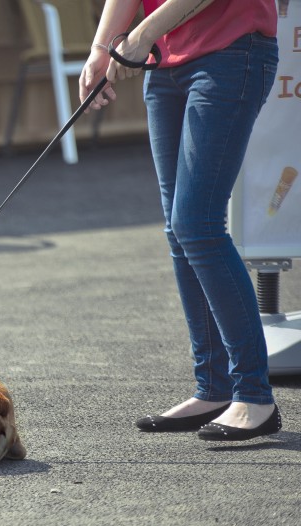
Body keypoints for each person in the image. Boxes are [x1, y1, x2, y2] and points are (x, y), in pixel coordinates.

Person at [79, 0, 282, 441]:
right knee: (180, 229)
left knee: (198, 224)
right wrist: (101, 48)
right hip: (165, 64)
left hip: (231, 52)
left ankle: (254, 395)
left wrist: (140, 36)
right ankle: (214, 388)